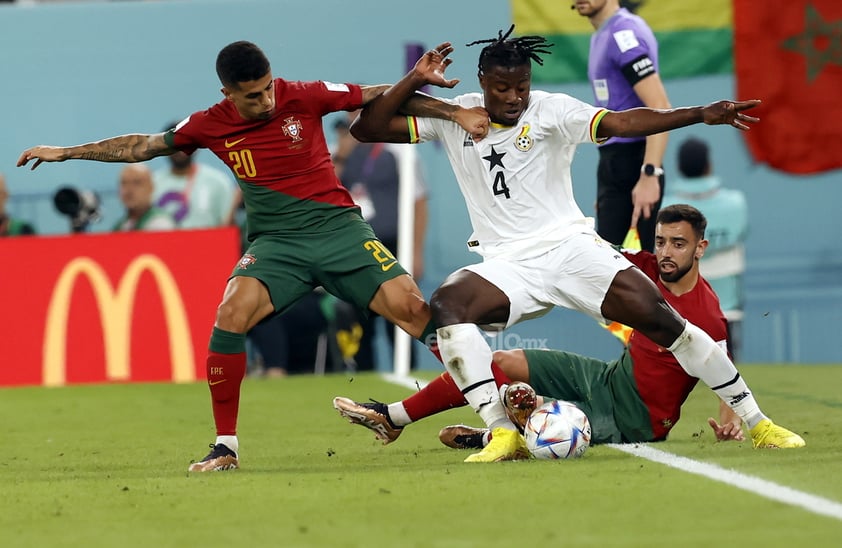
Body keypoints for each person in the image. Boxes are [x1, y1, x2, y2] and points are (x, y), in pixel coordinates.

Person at [17, 40, 489, 472]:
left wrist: (452, 111)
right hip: (277, 244)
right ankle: (226, 446)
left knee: (414, 311)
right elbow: (141, 145)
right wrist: (66, 152)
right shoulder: (208, 123)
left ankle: (498, 400)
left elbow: (376, 96)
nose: (265, 101)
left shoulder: (302, 94)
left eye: (267, 90)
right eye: (252, 96)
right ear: (226, 93)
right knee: (230, 314)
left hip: (339, 230)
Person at [338, 27, 803, 462]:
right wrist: (440, 102)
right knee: (447, 304)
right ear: (483, 82)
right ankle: (500, 430)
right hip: (508, 263)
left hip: (572, 248)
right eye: (502, 88)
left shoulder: (551, 111)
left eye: (521, 86)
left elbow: (622, 121)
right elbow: (366, 127)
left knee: (667, 323)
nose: (514, 97)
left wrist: (699, 113)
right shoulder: (457, 116)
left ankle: (758, 423)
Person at [335, 204, 804, 450]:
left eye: (678, 245)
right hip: (607, 379)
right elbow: (582, 248)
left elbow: (717, 362)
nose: (666, 252)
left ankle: (502, 430)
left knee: (552, 431)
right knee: (502, 362)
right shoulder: (645, 275)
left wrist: (733, 423)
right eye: (661, 241)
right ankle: (393, 419)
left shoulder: (706, 310)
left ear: (700, 249)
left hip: (635, 420)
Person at [334, 111, 430, 370]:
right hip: (354, 251)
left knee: (400, 314)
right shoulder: (338, 153)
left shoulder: (399, 152)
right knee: (358, 318)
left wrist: (415, 252)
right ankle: (364, 378)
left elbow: (418, 202)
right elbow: (326, 192)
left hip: (392, 246)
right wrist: (342, 154)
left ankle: (406, 374)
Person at [574, 0, 672, 251]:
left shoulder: (623, 34)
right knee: (610, 265)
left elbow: (660, 106)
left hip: (635, 163)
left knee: (640, 270)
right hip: (614, 164)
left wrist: (650, 174)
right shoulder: (603, 35)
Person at [661, 137, 749, 360]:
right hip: (725, 299)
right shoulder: (736, 202)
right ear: (708, 165)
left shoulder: (663, 208)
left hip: (679, 299)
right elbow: (740, 232)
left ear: (679, 167)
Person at [154, 121, 240, 229]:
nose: (179, 150)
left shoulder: (218, 182)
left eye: (184, 143)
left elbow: (229, 226)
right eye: (174, 145)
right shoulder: (152, 184)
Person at [112, 164, 176, 231]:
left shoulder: (161, 225)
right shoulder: (120, 226)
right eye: (124, 183)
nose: (129, 190)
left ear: (151, 187)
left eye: (137, 182)